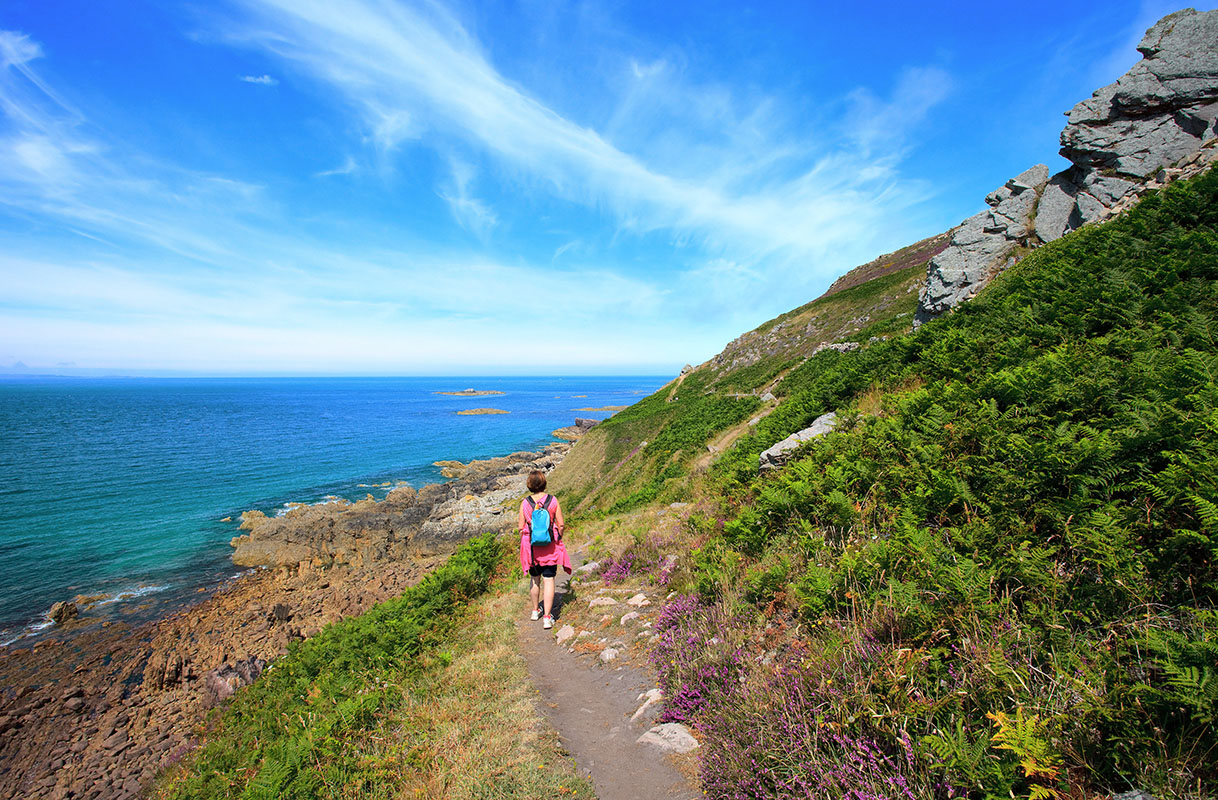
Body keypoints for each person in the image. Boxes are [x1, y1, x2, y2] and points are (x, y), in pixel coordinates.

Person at [518, 470, 572, 630]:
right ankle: (547, 618)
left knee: (535, 579)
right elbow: (561, 524)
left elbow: (521, 527)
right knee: (549, 580)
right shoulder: (552, 500)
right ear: (544, 483)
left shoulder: (525, 503)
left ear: (529, 485)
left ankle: (535, 611)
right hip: (549, 547)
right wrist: (557, 537)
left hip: (532, 548)